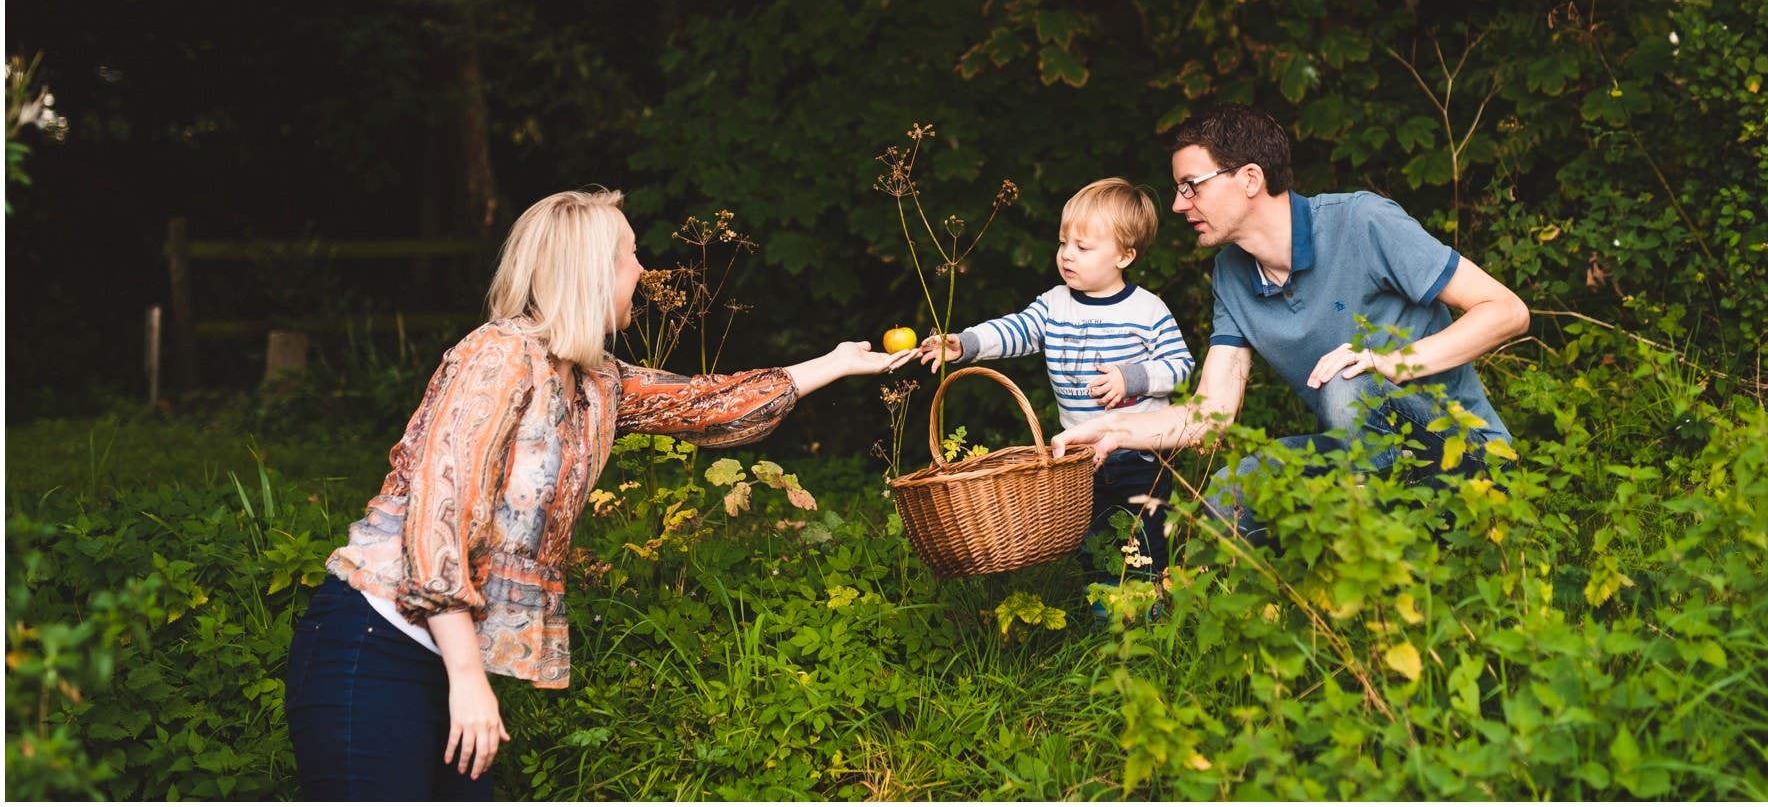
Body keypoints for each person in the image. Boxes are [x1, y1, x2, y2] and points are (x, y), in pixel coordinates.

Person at [284, 188, 915, 800]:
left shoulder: (595, 380)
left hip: (439, 657)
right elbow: (438, 516)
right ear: (589, 269)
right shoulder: (496, 357)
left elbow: (708, 404)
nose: (644, 269)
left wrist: (835, 363)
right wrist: (470, 677)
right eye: (630, 253)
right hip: (373, 646)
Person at [1051, 104, 1529, 546]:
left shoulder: (1362, 221)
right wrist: (1110, 428)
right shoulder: (1232, 274)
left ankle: (1387, 540)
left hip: (1464, 457)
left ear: (1250, 179)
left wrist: (1389, 363)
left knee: (1348, 382)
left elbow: (1506, 310)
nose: (1179, 204)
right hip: (1353, 461)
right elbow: (1212, 412)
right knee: (1232, 490)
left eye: (1191, 185)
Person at [920, 177, 1195, 586]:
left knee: (1143, 541)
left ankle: (1148, 612)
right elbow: (1017, 331)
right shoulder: (1054, 304)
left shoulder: (1147, 310)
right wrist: (966, 344)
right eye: (1063, 243)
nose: (1067, 255)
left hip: (1140, 456)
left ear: (1125, 255)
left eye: (1083, 248)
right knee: (1094, 540)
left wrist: (1131, 376)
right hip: (1080, 457)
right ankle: (1106, 610)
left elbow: (1181, 365)